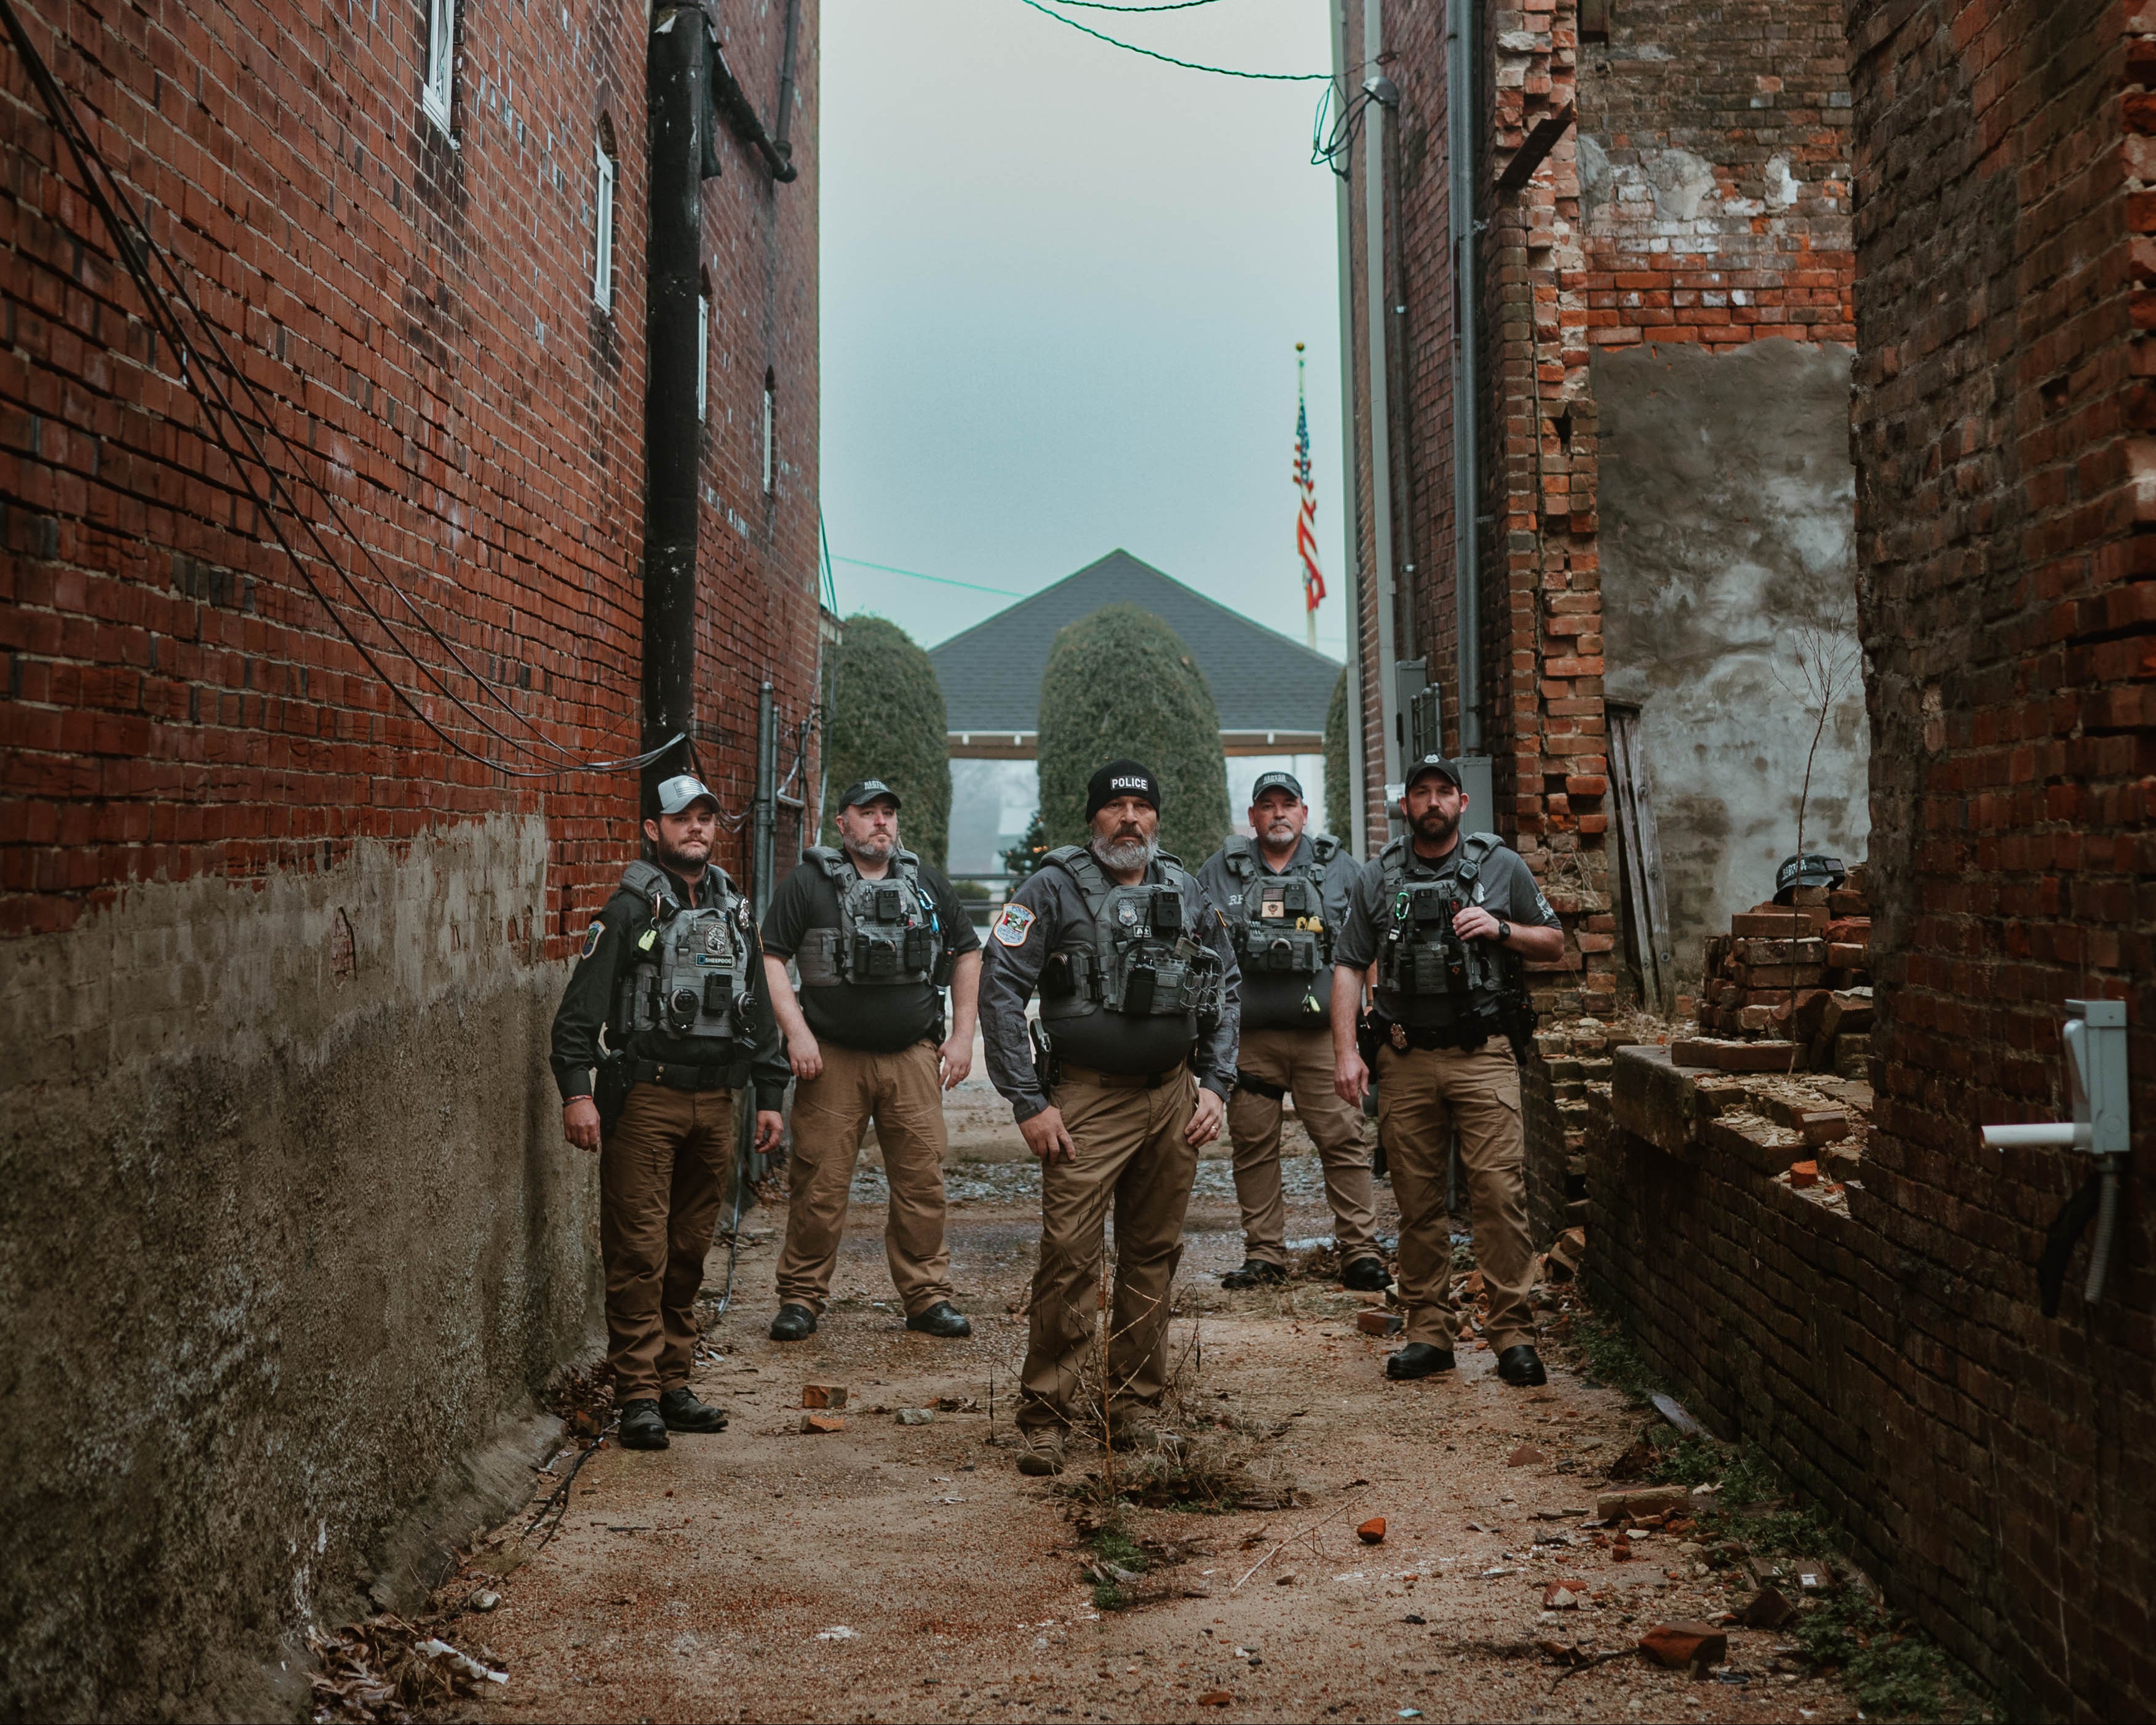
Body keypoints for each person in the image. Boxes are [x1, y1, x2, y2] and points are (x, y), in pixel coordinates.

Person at [978, 760, 1241, 1476]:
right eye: (1115, 806)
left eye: (1141, 806)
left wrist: (1216, 1083)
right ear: (1092, 816)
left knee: (1152, 1254)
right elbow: (1000, 987)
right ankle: (1046, 1418)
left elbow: (1224, 981)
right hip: (1085, 1100)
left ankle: (1135, 1408)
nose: (1129, 818)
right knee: (1069, 1255)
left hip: (1172, 1097)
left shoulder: (1185, 887)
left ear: (1156, 817)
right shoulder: (1048, 887)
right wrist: (1028, 1101)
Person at [551, 774, 790, 1450]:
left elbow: (758, 1010)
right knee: (639, 1252)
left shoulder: (735, 912)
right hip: (646, 1099)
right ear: (653, 829)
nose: (697, 828)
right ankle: (637, 1396)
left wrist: (770, 1095)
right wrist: (576, 1092)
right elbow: (577, 1015)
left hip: (718, 1102)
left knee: (689, 1249)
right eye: (682, 818)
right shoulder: (629, 911)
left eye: (705, 818)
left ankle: (674, 1381)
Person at [1329, 755, 1565, 1387]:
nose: (1431, 802)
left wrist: (1500, 927)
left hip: (1483, 1053)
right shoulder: (1377, 876)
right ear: (1404, 805)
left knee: (1499, 1195)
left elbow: (1554, 941)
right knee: (1417, 1201)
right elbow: (1348, 964)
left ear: (1461, 802)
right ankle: (1429, 1333)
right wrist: (1347, 1052)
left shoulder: (1500, 866)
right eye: (1420, 793)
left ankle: (1513, 1335)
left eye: (1443, 792)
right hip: (1404, 1057)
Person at [758, 778, 982, 1342]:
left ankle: (927, 1297)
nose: (880, 821)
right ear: (843, 824)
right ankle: (801, 1297)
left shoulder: (925, 882)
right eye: (867, 812)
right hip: (831, 1060)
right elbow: (770, 958)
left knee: (921, 1183)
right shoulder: (808, 883)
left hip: (912, 1057)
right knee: (818, 1183)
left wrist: (962, 1037)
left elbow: (967, 952)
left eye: (888, 812)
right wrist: (797, 1034)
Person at [1195, 771, 1382, 1292]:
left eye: (1288, 804)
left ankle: (1360, 1252)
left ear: (1303, 812)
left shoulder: (1339, 868)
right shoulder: (1220, 870)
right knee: (1253, 1146)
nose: (1278, 813)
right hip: (1249, 1039)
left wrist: (1372, 1013)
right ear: (1252, 817)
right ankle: (1264, 1256)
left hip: (1324, 1037)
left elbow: (1368, 943)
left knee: (1342, 1140)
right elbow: (1197, 945)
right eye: (1267, 805)